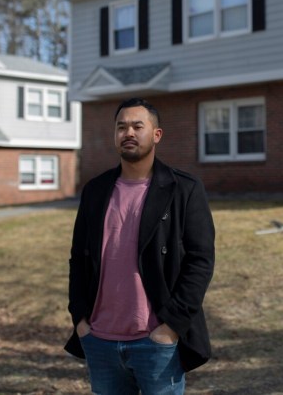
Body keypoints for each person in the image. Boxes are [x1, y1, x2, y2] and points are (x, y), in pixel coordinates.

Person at [65, 97, 216, 394]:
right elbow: (77, 259)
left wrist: (171, 326)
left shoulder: (183, 189)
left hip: (156, 342)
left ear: (156, 134)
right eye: (121, 127)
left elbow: (200, 260)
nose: (129, 133)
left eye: (137, 126)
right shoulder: (95, 190)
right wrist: (81, 318)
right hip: (99, 339)